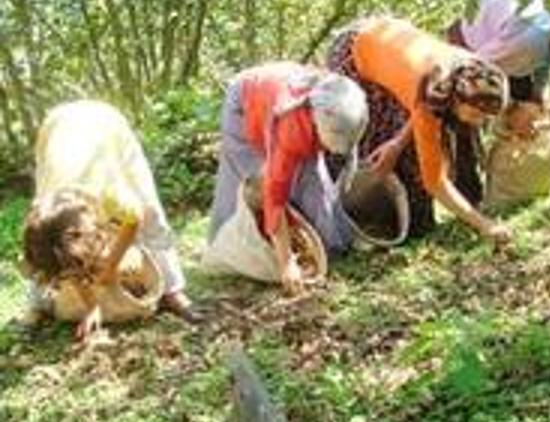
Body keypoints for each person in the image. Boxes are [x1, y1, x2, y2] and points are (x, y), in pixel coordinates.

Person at [22, 100, 201, 339]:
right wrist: (91, 307)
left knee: (151, 212)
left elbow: (134, 219)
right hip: (54, 129)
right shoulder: (44, 216)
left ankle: (172, 291)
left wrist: (112, 264)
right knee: (57, 261)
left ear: (96, 232)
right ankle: (38, 303)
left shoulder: (112, 193)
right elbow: (68, 261)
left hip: (108, 127)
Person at [326, 17, 511, 241]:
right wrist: (485, 225)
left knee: (399, 145)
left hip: (391, 48)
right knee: (361, 136)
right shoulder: (436, 87)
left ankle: (413, 222)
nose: (478, 122)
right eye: (474, 114)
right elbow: (434, 181)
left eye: (485, 117)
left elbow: (415, 102)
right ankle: (343, 218)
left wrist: (397, 143)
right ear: (454, 99)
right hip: (357, 51)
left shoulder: (474, 71)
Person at [207, 61, 368, 294]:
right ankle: (227, 250)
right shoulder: (291, 127)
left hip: (283, 92)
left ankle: (332, 245)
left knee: (313, 179)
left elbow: (340, 148)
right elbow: (274, 193)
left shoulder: (345, 103)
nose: (334, 149)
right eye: (331, 143)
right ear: (318, 121)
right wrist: (287, 262)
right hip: (246, 101)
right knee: (246, 181)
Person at [448, 0, 550, 106]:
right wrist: (509, 108)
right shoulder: (531, 43)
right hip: (467, 48)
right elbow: (482, 63)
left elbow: (548, 61)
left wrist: (538, 92)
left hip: (495, 52)